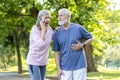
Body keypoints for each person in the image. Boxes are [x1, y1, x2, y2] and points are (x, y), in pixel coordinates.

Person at [52, 8, 94, 80]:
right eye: (58, 16)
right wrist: (58, 68)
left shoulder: (78, 28)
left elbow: (91, 38)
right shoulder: (56, 32)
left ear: (68, 17)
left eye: (61, 15)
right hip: (64, 67)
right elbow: (56, 52)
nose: (59, 17)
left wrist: (82, 45)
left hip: (79, 65)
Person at [26, 10, 53, 80]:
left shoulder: (50, 30)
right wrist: (43, 30)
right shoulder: (35, 30)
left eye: (49, 18)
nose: (48, 20)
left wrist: (59, 30)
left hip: (43, 61)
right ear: (40, 18)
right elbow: (40, 44)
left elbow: (56, 38)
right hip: (34, 61)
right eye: (46, 17)